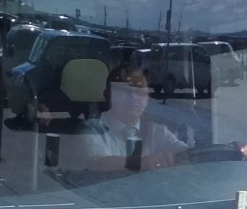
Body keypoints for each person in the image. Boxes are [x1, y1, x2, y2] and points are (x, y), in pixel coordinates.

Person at [61, 64, 189, 172]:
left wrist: (183, 159)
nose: (133, 98)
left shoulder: (156, 131)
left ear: (148, 98)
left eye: (140, 92)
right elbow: (95, 163)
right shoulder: (92, 129)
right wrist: (141, 163)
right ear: (108, 95)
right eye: (124, 91)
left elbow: (185, 154)